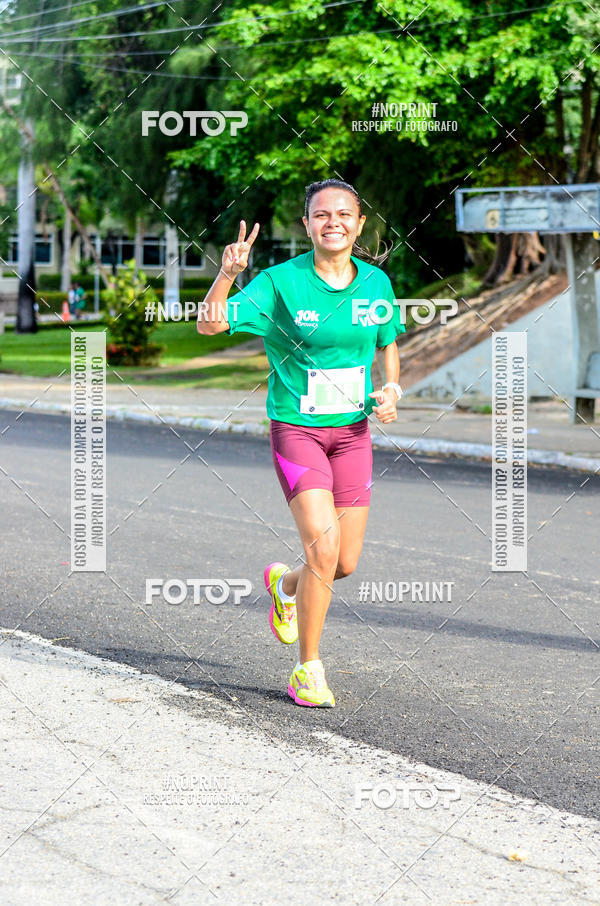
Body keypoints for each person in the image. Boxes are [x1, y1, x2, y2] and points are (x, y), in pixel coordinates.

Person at [197, 178, 405, 708]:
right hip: (298, 431)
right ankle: (307, 669)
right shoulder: (280, 283)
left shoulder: (376, 283)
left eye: (343, 214)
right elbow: (209, 325)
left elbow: (388, 345)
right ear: (307, 225)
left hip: (353, 434)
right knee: (323, 547)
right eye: (321, 214)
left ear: (359, 224)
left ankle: (285, 587)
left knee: (345, 562)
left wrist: (392, 389)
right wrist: (226, 275)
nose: (332, 221)